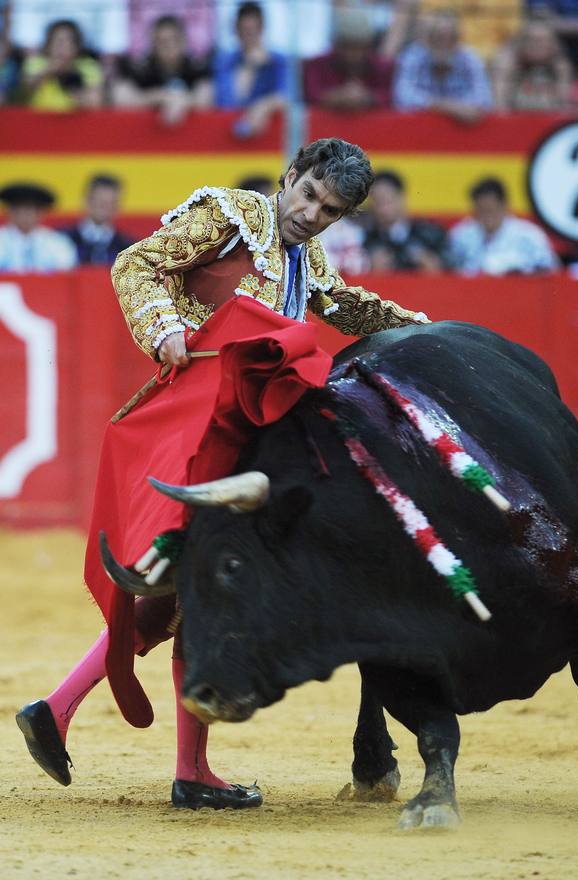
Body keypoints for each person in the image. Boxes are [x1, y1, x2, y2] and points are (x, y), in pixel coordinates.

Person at [16, 137, 429, 811]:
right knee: (200, 590)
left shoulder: (305, 256)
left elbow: (342, 305)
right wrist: (165, 329)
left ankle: (65, 712)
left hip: (244, 437)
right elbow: (137, 263)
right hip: (202, 428)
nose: (311, 214)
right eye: (308, 195)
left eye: (329, 211)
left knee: (185, 595)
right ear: (289, 176)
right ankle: (179, 765)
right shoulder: (231, 215)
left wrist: (424, 332)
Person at [393, 8, 493, 122]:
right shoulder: (412, 57)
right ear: (426, 38)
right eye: (438, 37)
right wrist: (448, 107)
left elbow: (484, 100)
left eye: (450, 38)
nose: (444, 44)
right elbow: (402, 98)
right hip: (419, 128)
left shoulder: (470, 59)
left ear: (458, 39)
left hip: (460, 131)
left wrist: (452, 108)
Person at [112, 15, 213, 127]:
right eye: (162, 42)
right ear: (152, 44)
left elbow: (205, 99)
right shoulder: (140, 69)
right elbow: (120, 98)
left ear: (185, 41)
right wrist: (160, 97)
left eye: (175, 40)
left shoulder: (197, 68)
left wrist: (182, 102)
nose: (169, 46)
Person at [447, 177, 559, 275]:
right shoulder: (461, 236)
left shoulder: (529, 236)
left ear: (504, 206)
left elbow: (550, 271)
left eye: (490, 210)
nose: (486, 216)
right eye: (481, 211)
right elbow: (450, 270)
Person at [213, 1, 286, 139]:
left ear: (262, 29)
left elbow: (286, 97)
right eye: (244, 30)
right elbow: (221, 100)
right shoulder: (224, 61)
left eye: (253, 30)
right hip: (224, 137)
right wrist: (248, 67)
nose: (248, 36)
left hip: (267, 141)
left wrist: (264, 105)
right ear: (236, 30)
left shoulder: (277, 61)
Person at [303, 8, 394, 112]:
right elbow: (311, 95)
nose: (352, 54)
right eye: (347, 46)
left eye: (358, 47)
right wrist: (339, 97)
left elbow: (391, 97)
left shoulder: (383, 67)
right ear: (336, 45)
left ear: (368, 46)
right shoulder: (317, 65)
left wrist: (368, 98)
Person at [362, 169, 448, 272]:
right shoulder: (365, 240)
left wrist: (434, 266)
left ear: (401, 198)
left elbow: (453, 268)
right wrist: (371, 269)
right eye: (377, 201)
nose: (382, 207)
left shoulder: (430, 235)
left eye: (386, 199)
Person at [491, 16, 574, 111]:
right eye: (532, 40)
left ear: (553, 44)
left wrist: (563, 74)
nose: (537, 45)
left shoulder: (560, 66)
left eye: (543, 40)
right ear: (521, 42)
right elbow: (499, 107)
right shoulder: (508, 63)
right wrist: (504, 71)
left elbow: (565, 107)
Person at [19, 18, 103, 111]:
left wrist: (71, 79)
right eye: (58, 41)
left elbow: (95, 103)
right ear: (48, 44)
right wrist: (48, 71)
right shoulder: (35, 63)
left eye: (67, 41)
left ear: (77, 46)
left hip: (76, 118)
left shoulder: (88, 66)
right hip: (38, 118)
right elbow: (24, 91)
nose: (61, 47)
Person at [0, 182, 77, 273]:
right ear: (9, 212)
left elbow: (65, 274)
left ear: (41, 213)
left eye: (29, 210)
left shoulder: (57, 243)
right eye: (18, 209)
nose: (24, 215)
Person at [60, 174, 135, 266]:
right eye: (99, 202)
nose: (103, 208)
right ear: (86, 200)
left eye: (109, 203)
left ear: (118, 206)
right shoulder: (61, 240)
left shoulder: (128, 248)